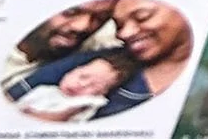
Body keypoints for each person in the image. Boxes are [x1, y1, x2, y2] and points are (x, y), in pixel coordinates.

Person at [12, 48, 140, 123]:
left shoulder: (88, 102)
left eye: (93, 86)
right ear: (70, 72)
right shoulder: (45, 88)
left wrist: (33, 117)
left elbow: (61, 118)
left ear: (102, 93)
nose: (82, 85)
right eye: (83, 76)